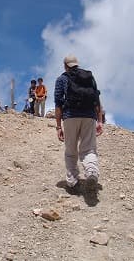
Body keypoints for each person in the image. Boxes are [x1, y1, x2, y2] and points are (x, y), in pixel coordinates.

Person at [54, 55, 103, 198]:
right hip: (89, 116)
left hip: (70, 117)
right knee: (88, 148)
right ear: (76, 64)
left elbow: (58, 104)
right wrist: (99, 120)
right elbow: (97, 99)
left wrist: (58, 126)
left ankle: (72, 181)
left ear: (65, 65)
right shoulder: (89, 77)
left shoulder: (62, 79)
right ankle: (92, 171)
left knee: (70, 150)